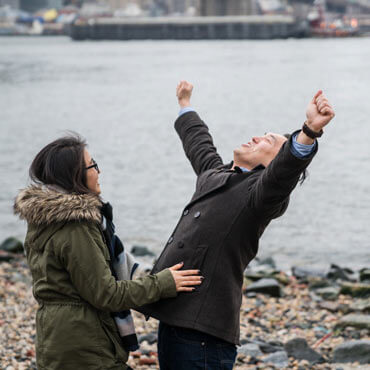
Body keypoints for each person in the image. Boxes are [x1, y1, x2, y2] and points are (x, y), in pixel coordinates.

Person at [138, 81, 335, 369]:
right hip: (176, 319)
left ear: (274, 163)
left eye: (267, 141)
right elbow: (199, 143)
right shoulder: (217, 174)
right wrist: (185, 104)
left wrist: (308, 131)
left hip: (203, 334)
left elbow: (284, 173)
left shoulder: (262, 196)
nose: (256, 138)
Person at [14, 135, 202, 370]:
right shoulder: (75, 226)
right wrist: (163, 283)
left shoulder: (44, 220)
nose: (98, 171)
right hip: (84, 345)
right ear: (74, 174)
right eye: (93, 165)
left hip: (57, 337)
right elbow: (106, 294)